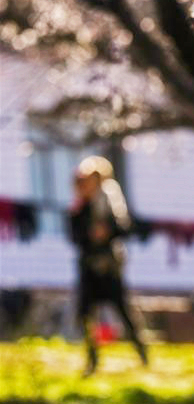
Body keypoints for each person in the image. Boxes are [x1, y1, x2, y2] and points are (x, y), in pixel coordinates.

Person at [70, 156, 147, 375]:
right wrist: (89, 234)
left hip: (110, 266)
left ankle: (142, 352)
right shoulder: (79, 207)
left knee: (123, 311)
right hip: (88, 266)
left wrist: (107, 232)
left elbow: (124, 229)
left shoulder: (110, 204)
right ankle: (92, 359)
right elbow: (74, 237)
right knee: (86, 314)